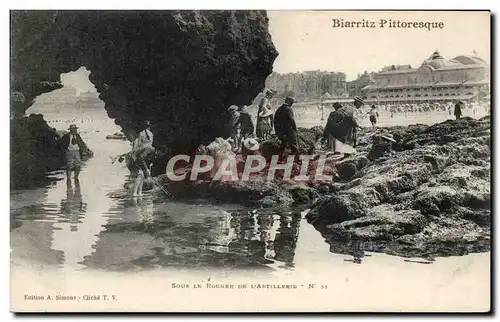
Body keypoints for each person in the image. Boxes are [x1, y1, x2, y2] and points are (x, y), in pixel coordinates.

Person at [131, 121, 155, 197]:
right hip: (138, 157)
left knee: (142, 175)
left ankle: (139, 192)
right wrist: (146, 168)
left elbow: (138, 145)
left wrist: (148, 167)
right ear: (149, 127)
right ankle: (135, 192)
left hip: (137, 155)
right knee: (140, 174)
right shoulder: (151, 135)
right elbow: (141, 158)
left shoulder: (141, 134)